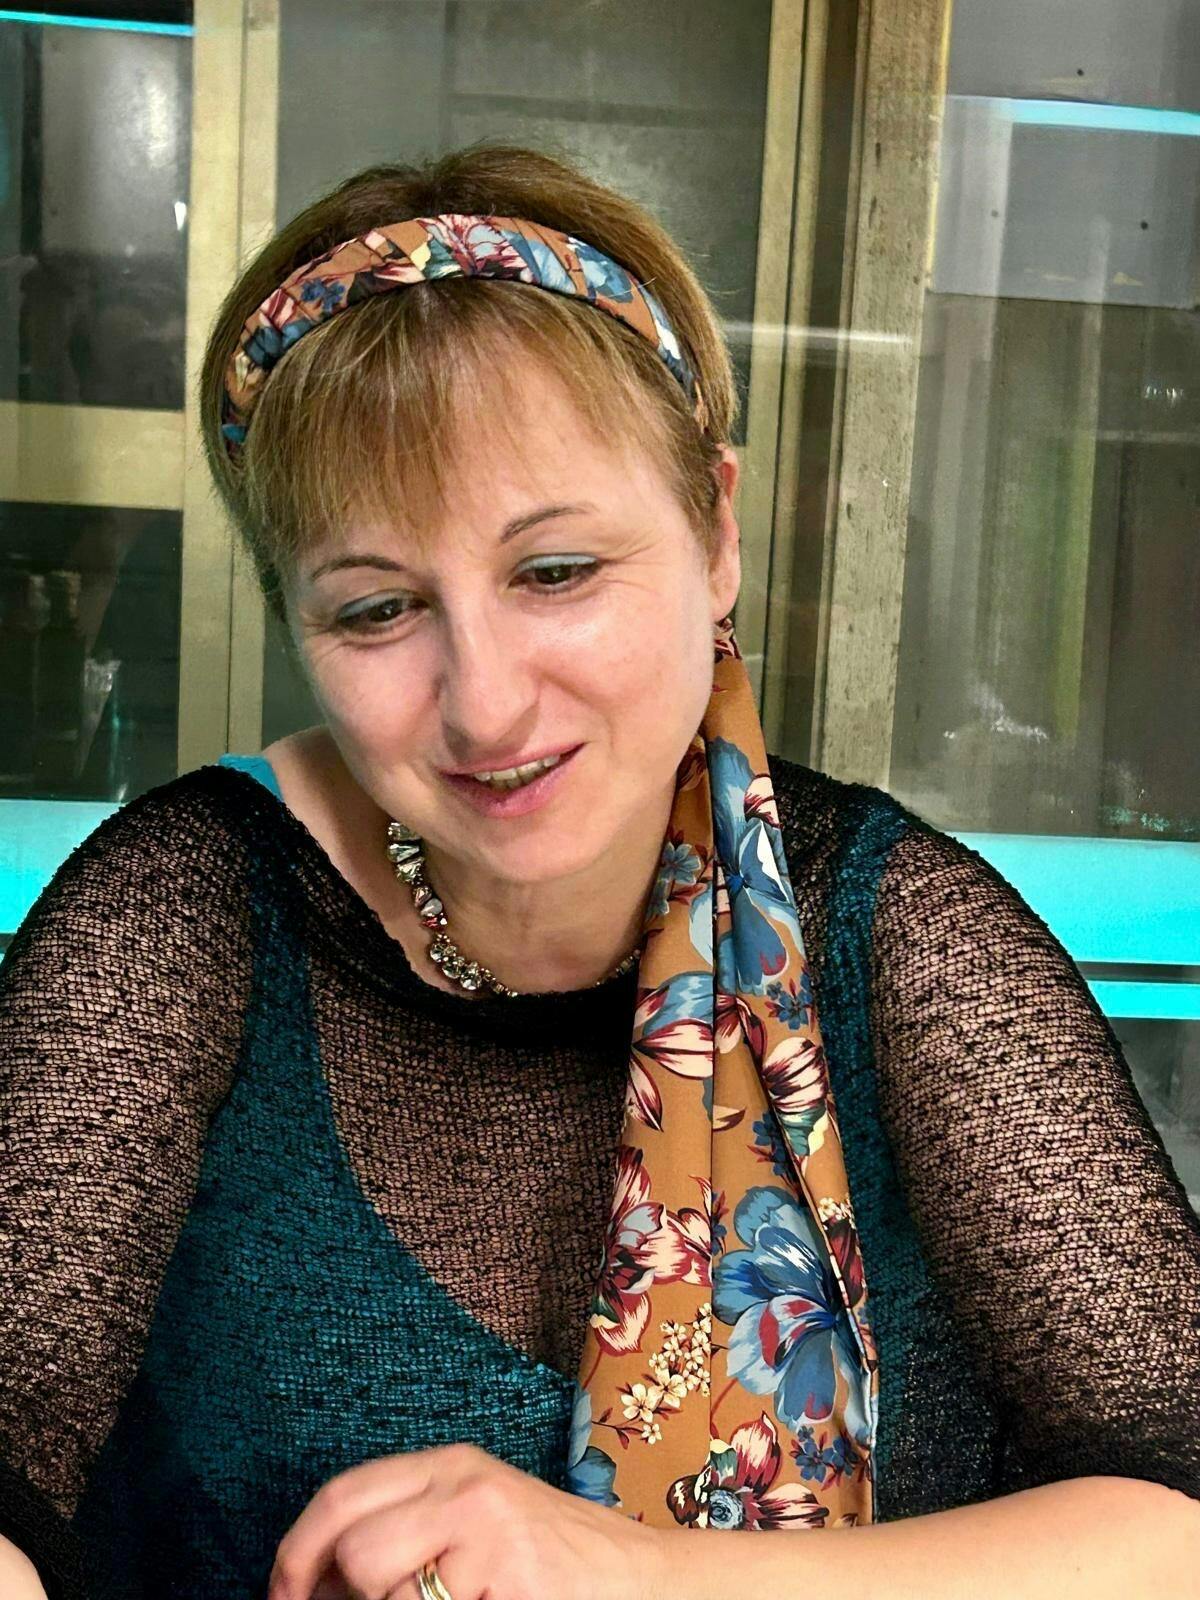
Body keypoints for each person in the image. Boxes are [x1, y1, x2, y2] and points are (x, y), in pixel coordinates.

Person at [0, 143, 1197, 1600]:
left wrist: (637, 1576)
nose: (486, 704)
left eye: (555, 572)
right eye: (376, 610)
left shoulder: (899, 931)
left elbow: (1180, 1510)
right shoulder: (179, 915)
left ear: (717, 534)